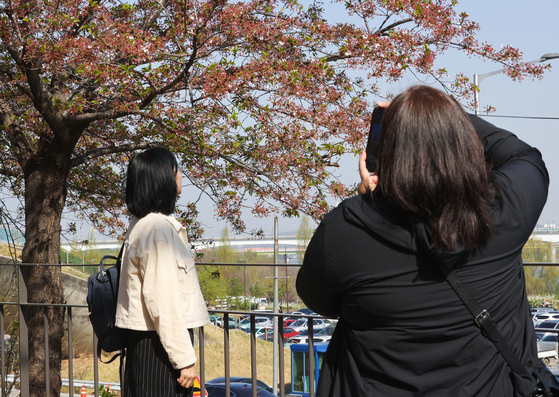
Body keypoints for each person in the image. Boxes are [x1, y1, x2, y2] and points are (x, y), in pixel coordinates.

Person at [296, 85, 548, 396]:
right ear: (465, 144)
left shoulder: (347, 228)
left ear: (389, 155)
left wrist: (370, 205)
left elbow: (317, 299)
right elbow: (523, 154)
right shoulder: (506, 208)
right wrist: (444, 118)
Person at [116, 147, 210, 397]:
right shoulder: (157, 229)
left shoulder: (142, 225)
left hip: (148, 344)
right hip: (158, 348)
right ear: (163, 178)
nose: (180, 175)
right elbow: (163, 300)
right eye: (176, 169)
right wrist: (184, 358)